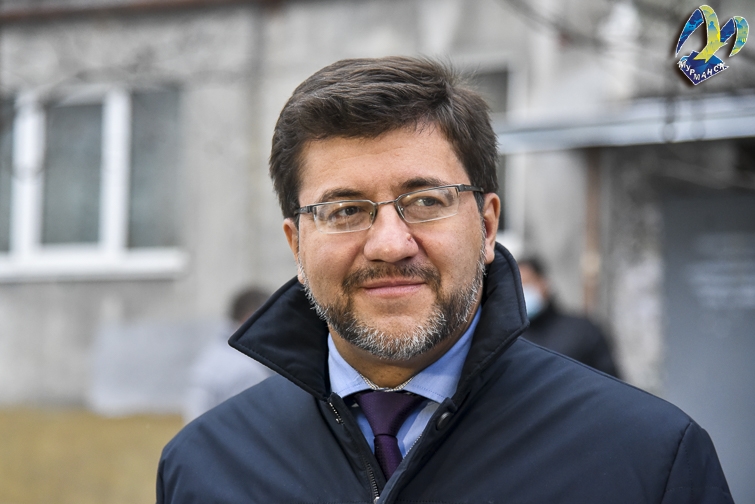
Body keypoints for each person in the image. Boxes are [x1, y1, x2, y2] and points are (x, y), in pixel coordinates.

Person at [157, 57, 732, 503]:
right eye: (345, 210)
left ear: (487, 226)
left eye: (426, 201)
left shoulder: (648, 459)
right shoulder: (204, 467)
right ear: (296, 244)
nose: (389, 244)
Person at [182, 287, 275, 423]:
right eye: (270, 319)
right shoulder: (247, 369)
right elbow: (255, 425)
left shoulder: (212, 354)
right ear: (250, 318)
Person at [518, 256, 620, 377]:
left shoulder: (583, 330)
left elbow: (611, 379)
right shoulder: (513, 341)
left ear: (544, 283)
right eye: (517, 287)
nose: (522, 292)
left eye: (526, 284)